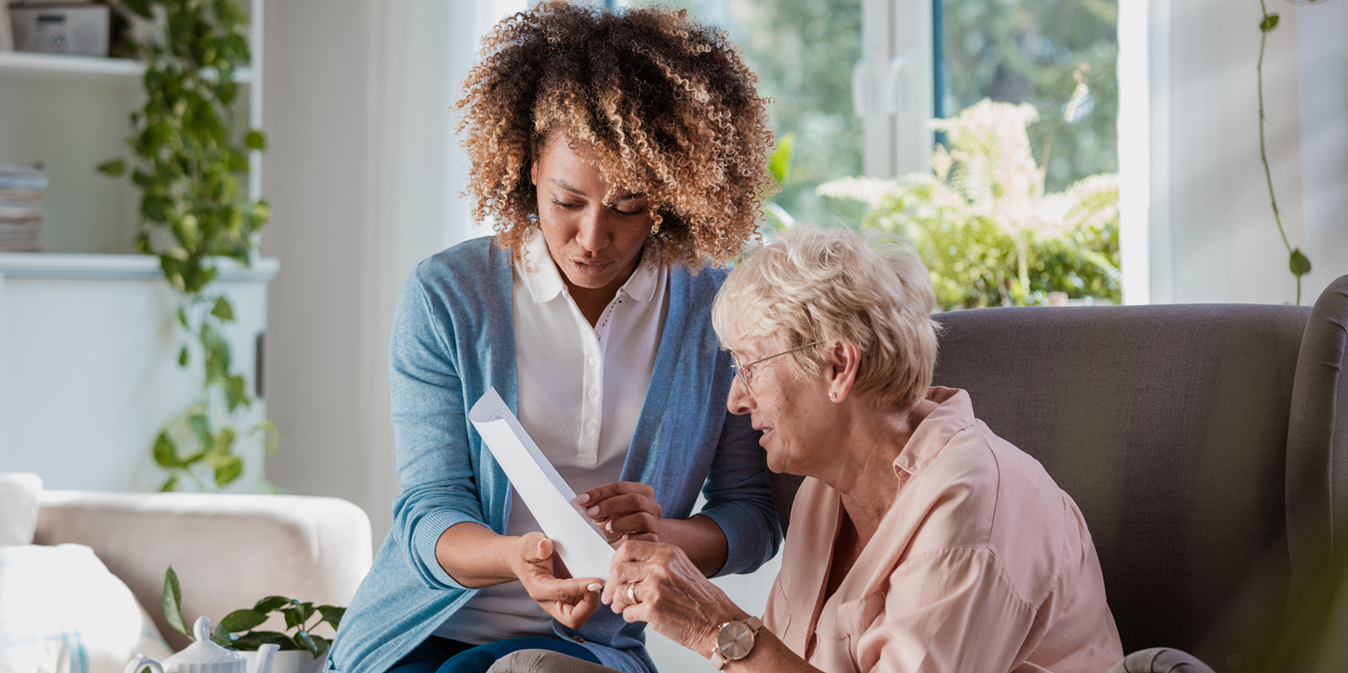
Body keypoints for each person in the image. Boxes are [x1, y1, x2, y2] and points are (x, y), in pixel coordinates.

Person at [324, 3, 782, 673]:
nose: (593, 238)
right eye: (568, 200)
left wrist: (659, 538)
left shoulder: (716, 310)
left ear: (670, 194)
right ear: (530, 163)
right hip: (415, 634)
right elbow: (428, 511)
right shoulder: (447, 297)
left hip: (588, 647)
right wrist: (518, 558)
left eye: (628, 207)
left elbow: (752, 517)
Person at [492, 227, 1124, 673]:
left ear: (838, 367)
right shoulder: (823, 495)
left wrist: (716, 627)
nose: (736, 401)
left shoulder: (972, 509)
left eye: (749, 366)